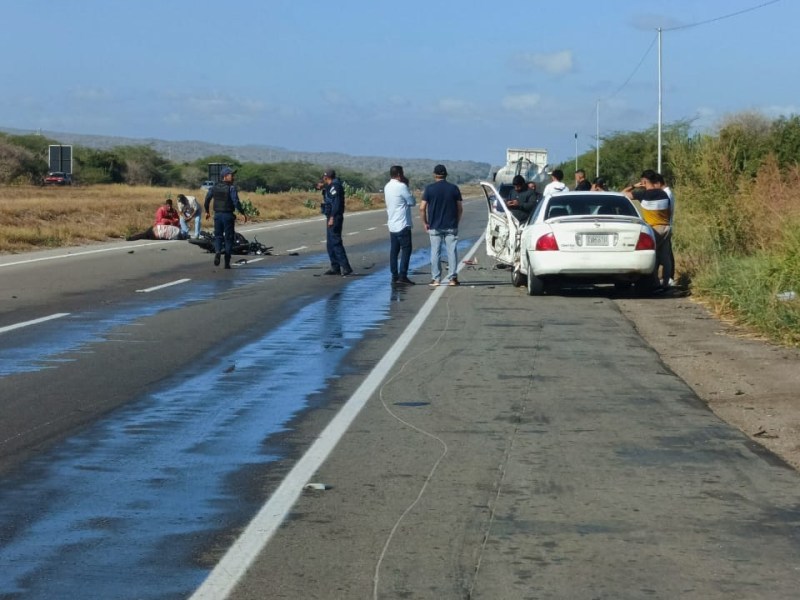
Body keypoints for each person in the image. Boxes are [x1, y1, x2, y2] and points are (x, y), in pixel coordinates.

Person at [624, 171, 671, 289]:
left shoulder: (642, 194)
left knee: (653, 256)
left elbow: (622, 194)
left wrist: (634, 186)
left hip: (654, 229)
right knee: (666, 257)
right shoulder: (664, 194)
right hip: (666, 227)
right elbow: (669, 211)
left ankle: (654, 283)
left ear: (644, 182)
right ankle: (666, 283)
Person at [420, 164, 463, 286]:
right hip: (451, 225)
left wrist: (425, 222)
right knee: (452, 251)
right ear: (446, 175)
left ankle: (436, 279)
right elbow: (460, 208)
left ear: (435, 175)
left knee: (435, 252)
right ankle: (452, 278)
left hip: (434, 226)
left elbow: (422, 208)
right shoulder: (454, 188)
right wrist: (457, 221)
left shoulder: (429, 189)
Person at [203, 167, 247, 269]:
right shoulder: (231, 188)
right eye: (231, 175)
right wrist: (242, 213)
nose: (233, 177)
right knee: (229, 238)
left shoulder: (214, 187)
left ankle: (218, 252)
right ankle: (227, 263)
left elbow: (207, 199)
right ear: (225, 176)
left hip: (217, 215)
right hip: (228, 216)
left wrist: (207, 211)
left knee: (218, 236)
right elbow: (236, 201)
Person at [384, 165, 416, 285]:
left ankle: (394, 275)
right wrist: (407, 186)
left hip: (392, 223)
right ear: (399, 174)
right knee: (406, 250)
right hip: (402, 223)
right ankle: (403, 275)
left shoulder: (387, 186)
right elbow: (412, 202)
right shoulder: (401, 186)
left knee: (394, 251)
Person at [320, 169, 353, 276]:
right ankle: (335, 267)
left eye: (324, 178)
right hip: (330, 215)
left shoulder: (335, 186)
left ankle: (346, 267)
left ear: (326, 177)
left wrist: (332, 217)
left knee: (335, 242)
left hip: (334, 217)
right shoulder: (330, 186)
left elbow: (336, 204)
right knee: (330, 244)